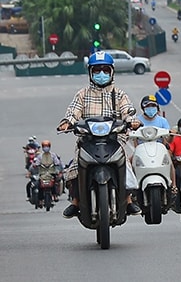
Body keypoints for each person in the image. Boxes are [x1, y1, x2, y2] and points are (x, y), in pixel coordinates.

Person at [57, 50, 142, 218]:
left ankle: (128, 199)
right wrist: (67, 122)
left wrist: (132, 120)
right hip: (87, 140)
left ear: (112, 72)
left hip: (115, 139)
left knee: (126, 164)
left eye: (105, 70)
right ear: (90, 73)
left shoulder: (119, 94)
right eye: (96, 70)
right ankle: (75, 201)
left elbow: (128, 111)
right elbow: (73, 112)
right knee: (75, 165)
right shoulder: (82, 94)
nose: (101, 74)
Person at [30, 140, 64, 205]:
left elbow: (57, 162)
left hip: (51, 173)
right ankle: (40, 199)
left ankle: (55, 195)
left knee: (54, 183)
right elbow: (37, 163)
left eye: (47, 146)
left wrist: (57, 164)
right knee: (39, 185)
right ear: (42, 147)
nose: (46, 148)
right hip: (42, 174)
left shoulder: (53, 155)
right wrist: (35, 165)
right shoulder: (40, 156)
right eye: (45, 146)